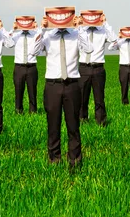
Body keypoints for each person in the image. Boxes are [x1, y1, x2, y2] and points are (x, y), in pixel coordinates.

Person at [31, 16, 93, 169]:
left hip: (72, 84)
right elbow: (33, 51)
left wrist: (79, 29)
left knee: (73, 126)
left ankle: (75, 162)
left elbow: (89, 49)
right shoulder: (47, 36)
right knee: (53, 125)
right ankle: (54, 160)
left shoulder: (76, 35)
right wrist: (42, 28)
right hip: (52, 85)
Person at [78, 14, 118, 126]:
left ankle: (101, 122)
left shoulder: (103, 31)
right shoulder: (80, 31)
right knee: (81, 97)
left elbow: (114, 39)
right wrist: (79, 26)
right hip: (83, 67)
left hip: (98, 68)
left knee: (99, 97)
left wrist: (105, 22)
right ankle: (82, 120)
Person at [10, 19, 42, 114]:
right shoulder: (16, 36)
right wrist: (13, 29)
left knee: (32, 91)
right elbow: (8, 43)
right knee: (18, 91)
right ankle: (18, 111)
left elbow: (41, 38)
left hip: (31, 67)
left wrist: (37, 28)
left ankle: (33, 111)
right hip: (19, 67)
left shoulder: (34, 35)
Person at [107, 28, 130, 105]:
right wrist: (118, 38)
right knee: (124, 86)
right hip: (123, 67)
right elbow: (110, 48)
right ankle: (124, 102)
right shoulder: (120, 42)